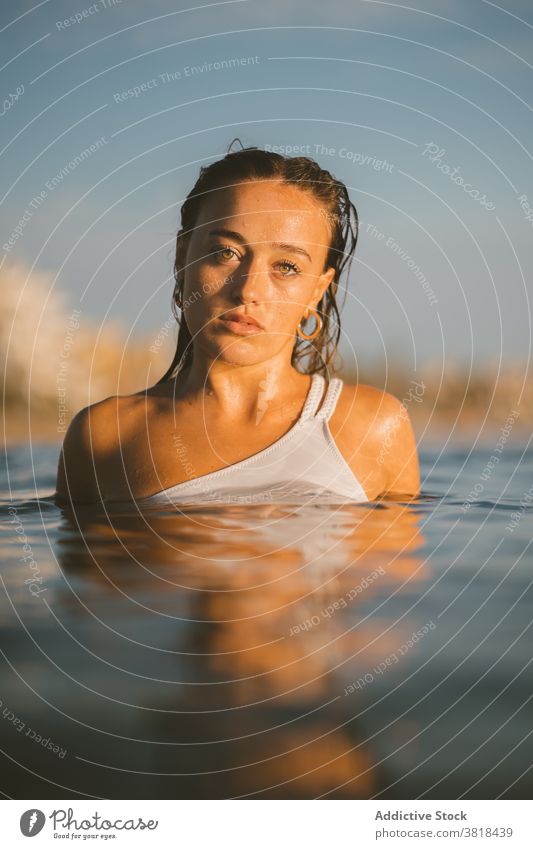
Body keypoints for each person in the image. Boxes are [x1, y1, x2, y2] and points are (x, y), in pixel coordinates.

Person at [55, 140, 420, 506]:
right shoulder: (106, 436)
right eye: (225, 253)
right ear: (183, 258)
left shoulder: (374, 426)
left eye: (286, 266)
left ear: (316, 291)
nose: (247, 290)